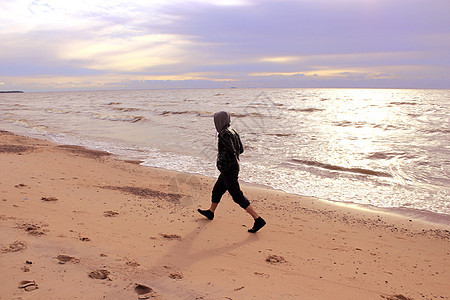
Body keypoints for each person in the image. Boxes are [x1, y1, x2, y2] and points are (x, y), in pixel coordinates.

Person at [198, 111, 266, 233]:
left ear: (219, 121)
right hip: (232, 167)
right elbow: (241, 149)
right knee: (217, 190)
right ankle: (211, 212)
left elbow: (229, 151)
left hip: (228, 169)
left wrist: (221, 162)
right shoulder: (233, 131)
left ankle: (258, 219)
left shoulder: (224, 134)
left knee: (237, 195)